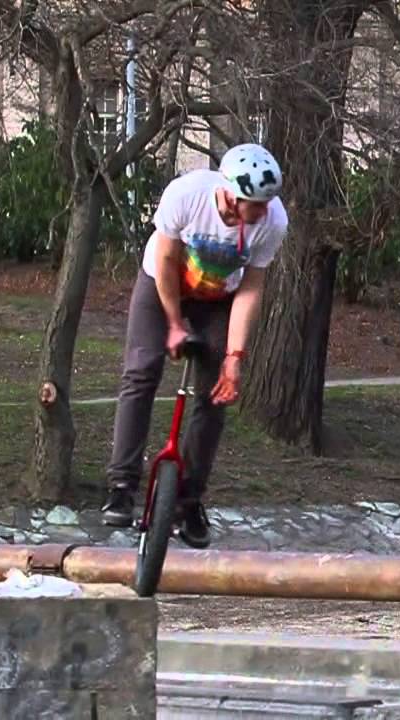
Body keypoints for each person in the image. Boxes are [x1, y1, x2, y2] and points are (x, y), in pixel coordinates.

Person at [100, 143, 289, 549]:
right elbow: (166, 260)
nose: (262, 212)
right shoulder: (186, 195)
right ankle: (121, 484)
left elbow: (251, 291)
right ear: (230, 193)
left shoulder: (273, 222)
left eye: (267, 203)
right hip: (162, 285)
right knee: (142, 370)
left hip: (219, 298)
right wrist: (172, 324)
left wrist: (234, 358)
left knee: (215, 394)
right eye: (254, 204)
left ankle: (188, 499)